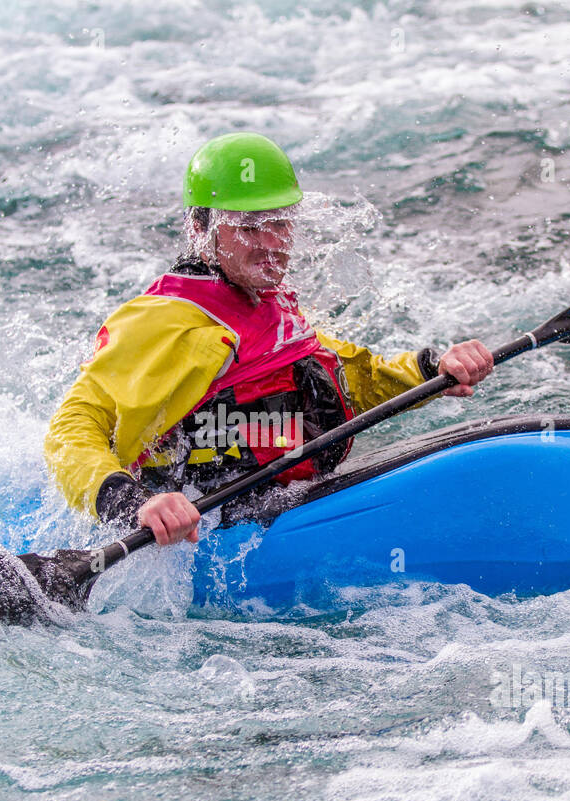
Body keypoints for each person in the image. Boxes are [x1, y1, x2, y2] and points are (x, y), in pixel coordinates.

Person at [44, 132, 493, 546]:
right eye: (249, 227)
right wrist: (129, 503)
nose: (272, 243)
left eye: (280, 223)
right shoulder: (161, 321)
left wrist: (433, 369)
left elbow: (350, 381)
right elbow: (72, 428)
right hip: (196, 532)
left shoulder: (270, 308)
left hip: (281, 505)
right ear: (201, 231)